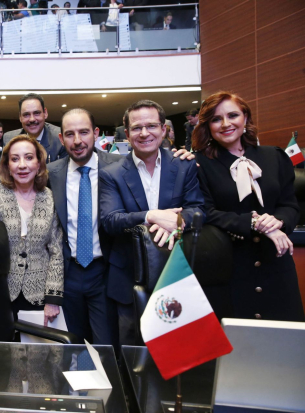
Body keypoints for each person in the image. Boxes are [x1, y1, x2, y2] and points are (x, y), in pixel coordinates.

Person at [99, 99, 205, 346]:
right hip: (127, 279)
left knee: (176, 352)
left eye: (151, 126)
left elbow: (198, 211)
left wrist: (176, 221)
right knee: (131, 354)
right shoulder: (111, 173)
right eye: (136, 128)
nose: (144, 133)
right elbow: (110, 221)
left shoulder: (183, 165)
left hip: (175, 274)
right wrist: (152, 216)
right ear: (127, 134)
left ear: (164, 130)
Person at [192, 91, 304, 322]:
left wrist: (279, 221)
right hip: (230, 268)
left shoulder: (274, 156)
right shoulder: (198, 164)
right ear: (207, 126)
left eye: (233, 115)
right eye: (216, 119)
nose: (225, 124)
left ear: (245, 118)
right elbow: (206, 213)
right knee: (237, 349)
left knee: (283, 346)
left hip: (276, 263)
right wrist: (254, 223)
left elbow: (290, 204)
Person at [47, 108, 121, 345]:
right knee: (74, 345)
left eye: (84, 132)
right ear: (61, 138)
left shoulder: (120, 166)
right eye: (69, 134)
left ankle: (108, 383)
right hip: (68, 273)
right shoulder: (50, 173)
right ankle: (81, 382)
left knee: (106, 345)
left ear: (96, 133)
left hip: (105, 272)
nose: (77, 141)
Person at [0, 135, 64, 325]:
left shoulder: (50, 197)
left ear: (39, 164)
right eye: (15, 159)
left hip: (38, 293)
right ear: (7, 166)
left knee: (36, 352)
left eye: (29, 158)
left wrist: (53, 298)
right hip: (0, 290)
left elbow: (56, 250)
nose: (22, 165)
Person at [3, 93, 67, 163]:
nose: (32, 119)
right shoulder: (9, 139)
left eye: (36, 113)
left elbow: (62, 172)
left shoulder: (60, 138)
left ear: (45, 113)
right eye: (26, 114)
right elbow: (3, 171)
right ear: (20, 117)